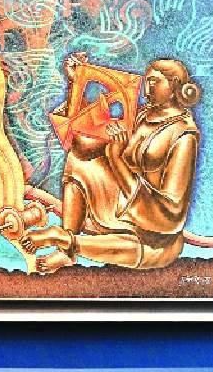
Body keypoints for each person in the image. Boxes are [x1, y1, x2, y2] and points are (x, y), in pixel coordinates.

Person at [21, 55, 201, 273]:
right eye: (147, 81)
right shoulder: (141, 115)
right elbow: (84, 139)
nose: (147, 89)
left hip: (155, 232)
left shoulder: (184, 135)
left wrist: (116, 157)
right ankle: (66, 250)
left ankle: (66, 241)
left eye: (154, 82)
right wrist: (76, 83)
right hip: (120, 209)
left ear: (174, 85)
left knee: (140, 249)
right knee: (78, 158)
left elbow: (171, 214)